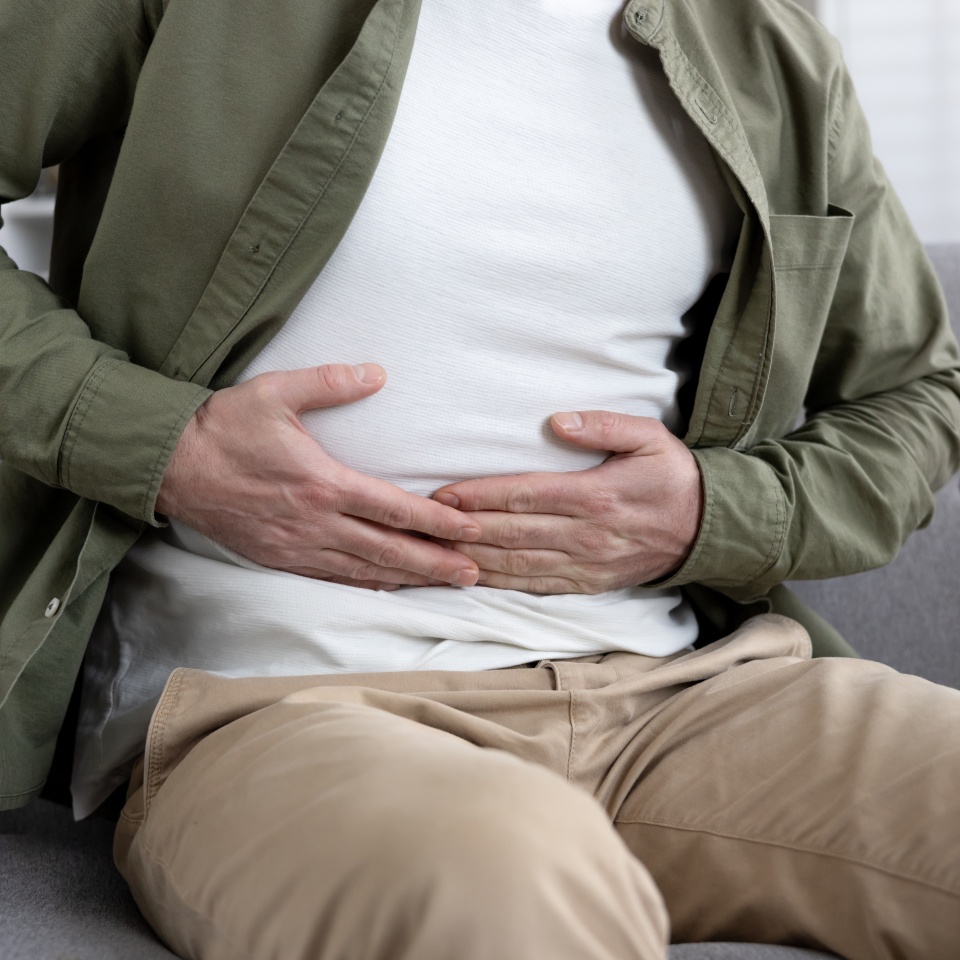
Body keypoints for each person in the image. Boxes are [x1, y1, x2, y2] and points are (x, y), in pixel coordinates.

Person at [1, 0, 959, 958]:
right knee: (505, 885)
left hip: (686, 696)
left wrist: (714, 515)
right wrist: (169, 447)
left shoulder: (766, 39)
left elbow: (918, 393)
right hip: (284, 705)